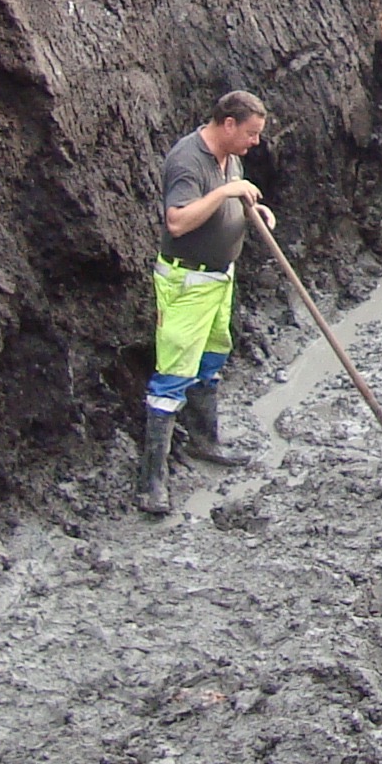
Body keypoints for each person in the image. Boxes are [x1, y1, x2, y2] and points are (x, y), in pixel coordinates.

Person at [142, 90, 272, 514]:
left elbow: (229, 202)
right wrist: (227, 191)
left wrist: (253, 211)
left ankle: (204, 440)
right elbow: (178, 221)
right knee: (173, 375)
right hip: (187, 284)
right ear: (228, 124)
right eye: (251, 133)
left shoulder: (230, 157)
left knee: (211, 358)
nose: (255, 142)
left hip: (219, 280)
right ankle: (152, 484)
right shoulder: (188, 161)